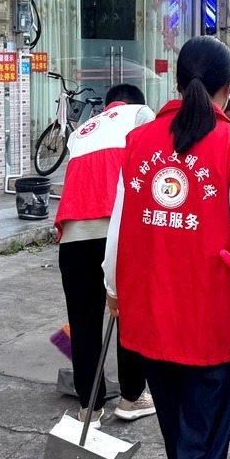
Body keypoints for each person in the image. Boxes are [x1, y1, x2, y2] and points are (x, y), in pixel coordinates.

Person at [103, 36, 230, 459]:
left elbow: (118, 229)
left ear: (178, 83)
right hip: (211, 326)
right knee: (199, 450)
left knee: (185, 444)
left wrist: (113, 289)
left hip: (152, 320)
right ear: (229, 87)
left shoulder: (139, 142)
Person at [53, 84, 156, 427]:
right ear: (135, 102)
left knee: (83, 324)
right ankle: (131, 397)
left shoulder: (82, 131)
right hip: (117, 232)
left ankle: (89, 409)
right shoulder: (140, 114)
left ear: (109, 105)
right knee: (129, 316)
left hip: (73, 238)